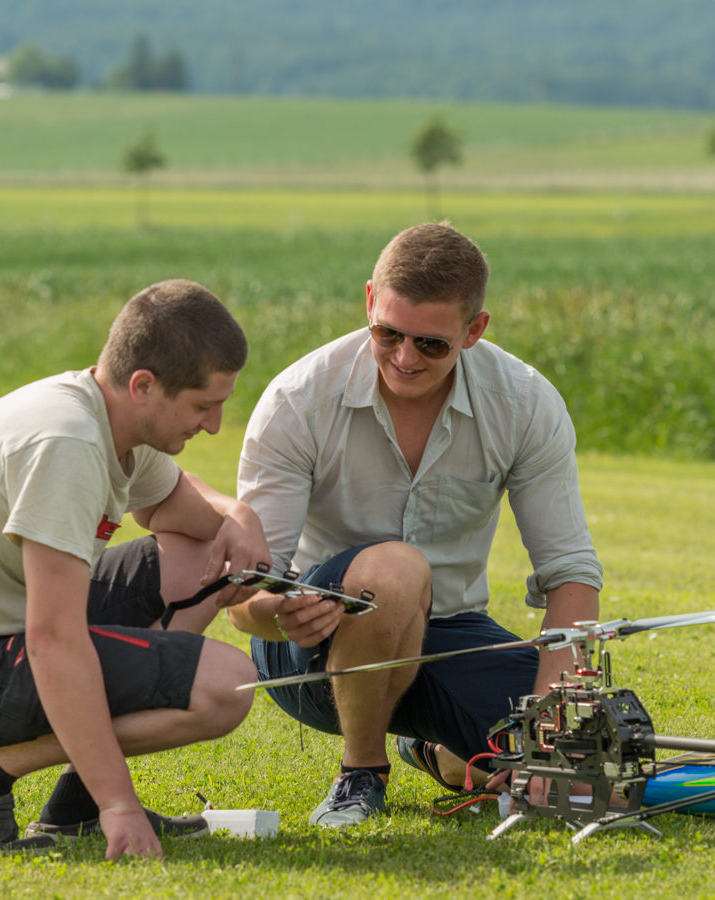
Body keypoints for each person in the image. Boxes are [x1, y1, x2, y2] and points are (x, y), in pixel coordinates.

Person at [0, 279, 268, 859]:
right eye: (205, 405)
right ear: (144, 385)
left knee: (198, 560)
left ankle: (75, 807)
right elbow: (54, 639)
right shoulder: (67, 444)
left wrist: (240, 518)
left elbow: (174, 510)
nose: (214, 424)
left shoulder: (109, 417)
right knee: (224, 687)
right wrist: (122, 806)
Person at [231, 222, 603, 828]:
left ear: (475, 330)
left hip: (451, 636)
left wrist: (547, 717)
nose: (405, 358)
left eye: (431, 345)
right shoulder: (296, 399)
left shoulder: (526, 402)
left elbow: (571, 574)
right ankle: (361, 772)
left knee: (593, 762)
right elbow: (245, 593)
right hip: (309, 655)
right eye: (388, 334)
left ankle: (442, 753)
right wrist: (279, 613)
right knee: (396, 567)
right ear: (370, 301)